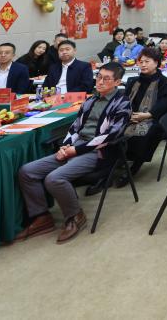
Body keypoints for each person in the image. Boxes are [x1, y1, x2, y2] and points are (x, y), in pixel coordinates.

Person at [16, 62, 131, 243]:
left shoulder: (122, 104)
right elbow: (76, 127)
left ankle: (75, 215)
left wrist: (75, 150)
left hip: (99, 153)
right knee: (27, 171)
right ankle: (42, 216)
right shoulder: (90, 100)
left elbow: (110, 136)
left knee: (54, 178)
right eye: (98, 77)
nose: (100, 82)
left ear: (117, 82)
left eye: (106, 79)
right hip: (75, 147)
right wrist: (65, 146)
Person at [119, 48, 167, 182]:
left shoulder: (164, 83)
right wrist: (127, 114)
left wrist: (146, 115)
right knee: (112, 129)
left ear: (156, 63)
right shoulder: (134, 81)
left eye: (147, 61)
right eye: (141, 62)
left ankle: (134, 166)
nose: (143, 64)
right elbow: (124, 101)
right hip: (131, 116)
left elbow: (164, 104)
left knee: (145, 132)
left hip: (153, 118)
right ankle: (116, 160)